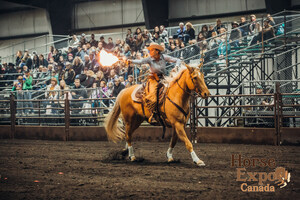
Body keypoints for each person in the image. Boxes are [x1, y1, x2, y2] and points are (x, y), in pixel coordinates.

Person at [128, 42, 181, 123]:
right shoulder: (149, 59)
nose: (150, 52)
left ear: (157, 51)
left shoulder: (163, 57)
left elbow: (177, 60)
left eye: (152, 50)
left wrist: (176, 67)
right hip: (153, 79)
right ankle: (153, 114)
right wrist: (131, 61)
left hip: (163, 78)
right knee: (153, 97)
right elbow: (140, 61)